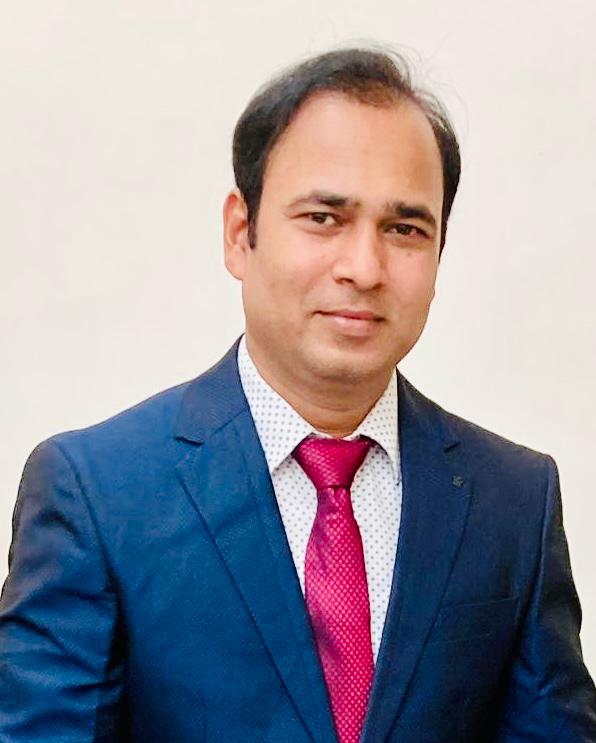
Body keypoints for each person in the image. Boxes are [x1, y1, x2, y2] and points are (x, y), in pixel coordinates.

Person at [0, 47, 595, 743]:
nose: (364, 268)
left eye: (405, 229)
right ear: (240, 234)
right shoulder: (99, 493)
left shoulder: (513, 500)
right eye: (323, 218)